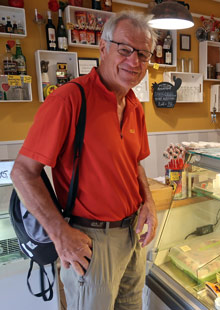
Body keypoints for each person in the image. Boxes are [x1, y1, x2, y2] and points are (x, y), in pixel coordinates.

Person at [11, 11, 158, 310]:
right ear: (103, 48)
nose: (135, 61)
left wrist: (149, 203)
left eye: (143, 54)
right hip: (89, 240)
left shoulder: (134, 105)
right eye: (125, 50)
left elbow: (135, 164)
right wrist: (60, 235)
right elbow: (22, 173)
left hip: (131, 237)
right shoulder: (70, 99)